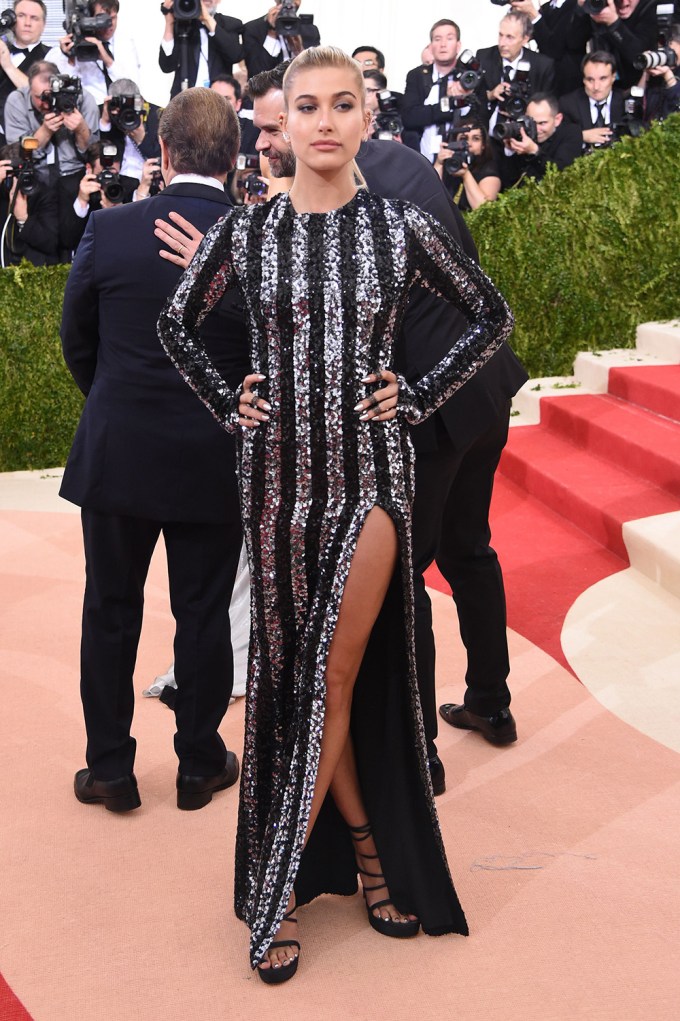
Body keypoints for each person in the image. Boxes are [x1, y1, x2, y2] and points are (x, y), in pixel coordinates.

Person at [158, 45, 514, 981]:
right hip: (274, 486)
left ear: (367, 117)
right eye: (305, 106)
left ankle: (273, 888)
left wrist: (421, 391)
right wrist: (227, 397)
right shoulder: (247, 232)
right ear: (281, 125)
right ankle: (365, 845)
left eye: (341, 105)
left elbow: (490, 315)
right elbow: (176, 326)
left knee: (333, 672)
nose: (322, 121)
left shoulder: (401, 228)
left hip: (371, 481)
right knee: (302, 683)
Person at [59, 87, 249, 814]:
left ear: (163, 153)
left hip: (120, 452)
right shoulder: (254, 239)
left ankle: (110, 768)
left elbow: (79, 340)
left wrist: (114, 403)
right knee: (202, 611)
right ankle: (199, 763)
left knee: (110, 609)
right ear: (234, 158)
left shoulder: (108, 231)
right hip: (216, 456)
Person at [45, 0, 141, 110]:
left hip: (120, 114)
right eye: (102, 19)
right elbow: (61, 92)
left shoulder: (127, 45)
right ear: (88, 18)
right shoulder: (59, 52)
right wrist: (71, 57)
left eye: (113, 18)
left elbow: (133, 88)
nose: (109, 24)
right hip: (87, 114)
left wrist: (107, 61)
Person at [476, 10, 555, 130]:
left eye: (510, 37)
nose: (502, 43)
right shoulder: (483, 57)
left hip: (525, 134)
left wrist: (523, 109)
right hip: (488, 136)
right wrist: (490, 95)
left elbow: (546, 108)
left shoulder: (542, 66)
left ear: (525, 39)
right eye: (500, 35)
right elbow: (471, 98)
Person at [159, 0, 243, 98]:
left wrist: (207, 20)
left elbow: (235, 56)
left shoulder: (230, 24)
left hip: (218, 100)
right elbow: (167, 66)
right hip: (184, 99)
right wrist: (169, 22)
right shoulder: (182, 23)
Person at [570, 0, 658, 90]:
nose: (624, 2)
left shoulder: (651, 7)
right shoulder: (598, 6)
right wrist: (581, 10)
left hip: (641, 85)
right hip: (603, 87)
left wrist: (614, 23)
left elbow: (638, 55)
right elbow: (573, 44)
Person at [508, 0, 585, 97]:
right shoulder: (547, 8)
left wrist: (533, 15)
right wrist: (517, 11)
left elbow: (555, 49)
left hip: (567, 86)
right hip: (544, 81)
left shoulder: (577, 7)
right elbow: (526, 34)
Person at [504, 92, 583, 179]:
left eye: (542, 123)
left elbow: (562, 173)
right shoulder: (522, 133)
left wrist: (535, 152)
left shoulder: (571, 132)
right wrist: (510, 149)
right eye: (532, 122)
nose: (536, 129)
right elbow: (508, 179)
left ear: (557, 119)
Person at [0, 0, 49, 139]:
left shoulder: (53, 55)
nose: (27, 23)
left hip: (30, 139)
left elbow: (43, 96)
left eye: (34, 18)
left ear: (44, 25)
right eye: (21, 16)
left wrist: (7, 65)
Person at [559, 51, 624, 148]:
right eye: (590, 80)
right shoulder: (568, 104)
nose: (596, 87)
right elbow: (557, 136)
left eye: (603, 79)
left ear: (613, 77)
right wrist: (581, 136)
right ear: (584, 80)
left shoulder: (625, 102)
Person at [434, 122, 501, 210]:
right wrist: (439, 164)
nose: (468, 144)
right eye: (463, 138)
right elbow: (427, 195)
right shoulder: (446, 165)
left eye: (475, 139)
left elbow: (483, 209)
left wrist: (466, 175)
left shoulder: (489, 170)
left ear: (483, 145)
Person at [242, 1, 319, 77]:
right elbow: (256, 75)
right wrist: (272, 32)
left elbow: (314, 72)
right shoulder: (253, 29)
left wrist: (298, 51)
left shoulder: (310, 31)